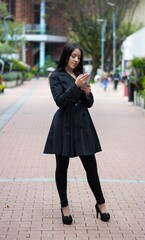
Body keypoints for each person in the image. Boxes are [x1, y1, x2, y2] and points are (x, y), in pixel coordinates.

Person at [44, 42, 110, 225]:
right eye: (73, 56)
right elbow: (60, 101)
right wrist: (76, 86)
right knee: (62, 167)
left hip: (82, 123)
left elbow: (88, 103)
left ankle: (101, 204)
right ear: (66, 55)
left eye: (78, 57)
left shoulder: (81, 76)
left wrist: (88, 93)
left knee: (91, 167)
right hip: (64, 124)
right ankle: (64, 207)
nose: (75, 60)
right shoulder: (56, 76)